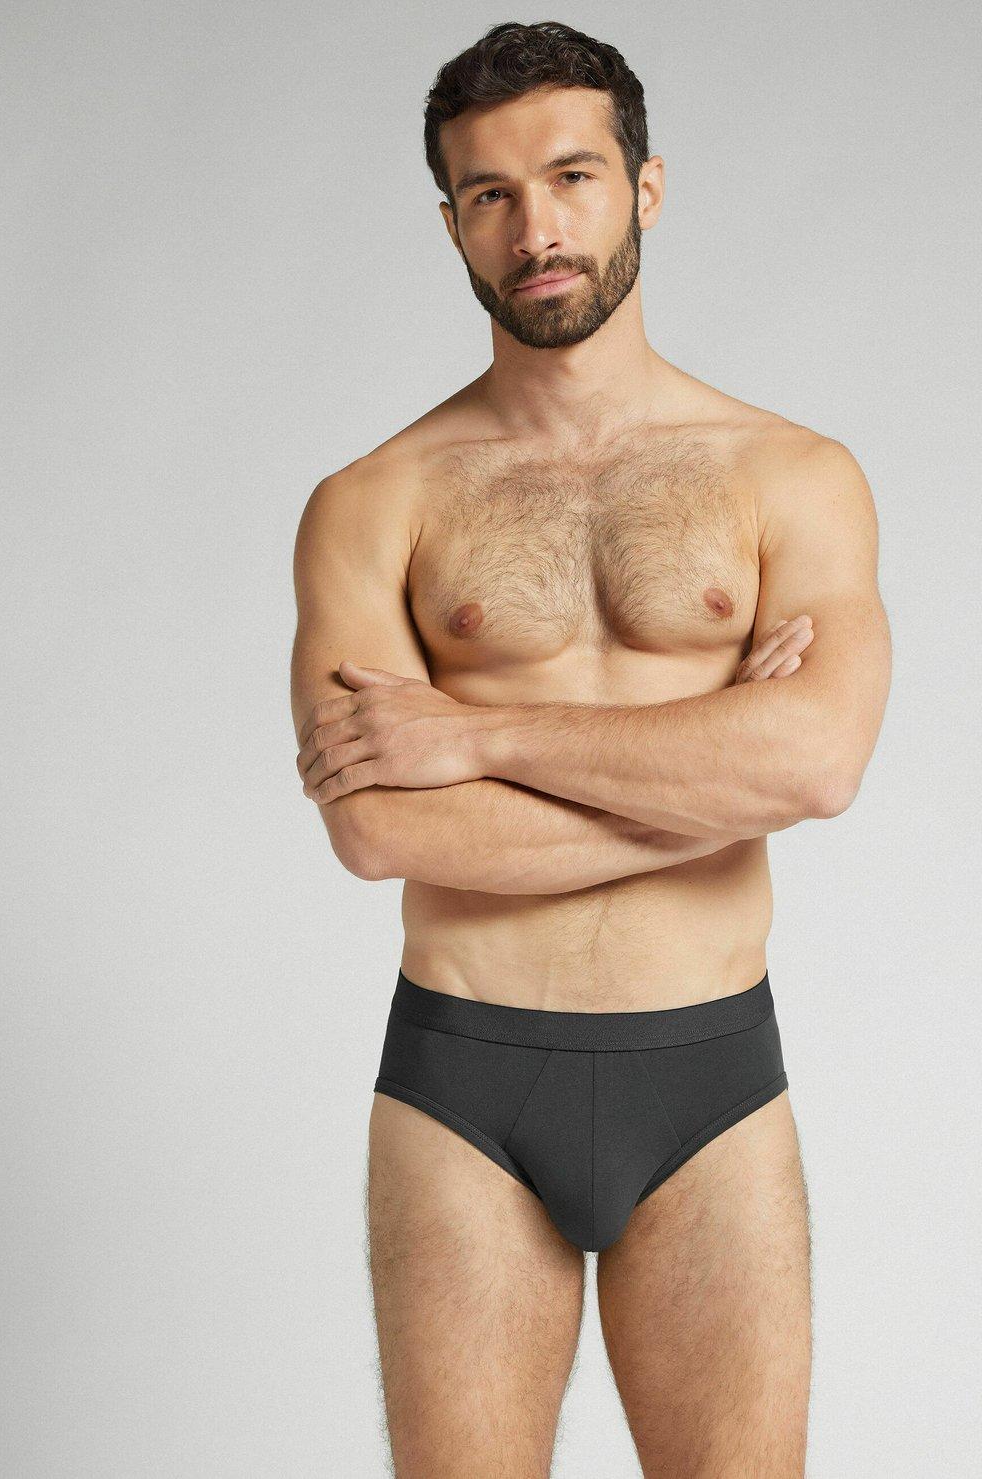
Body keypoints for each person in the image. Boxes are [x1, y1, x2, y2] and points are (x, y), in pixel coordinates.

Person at [290, 20, 890, 1477]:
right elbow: (381, 828)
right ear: (452, 223)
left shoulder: (792, 475)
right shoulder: (375, 501)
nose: (536, 228)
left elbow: (816, 765)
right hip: (464, 1078)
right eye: (490, 194)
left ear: (646, 186)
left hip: (711, 1074)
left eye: (571, 176)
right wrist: (718, 772)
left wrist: (477, 733)